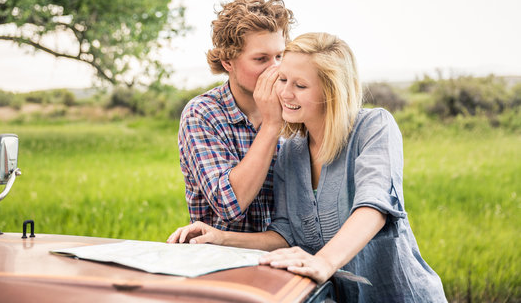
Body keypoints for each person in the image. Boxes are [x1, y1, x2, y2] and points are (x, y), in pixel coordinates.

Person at [169, 32, 447, 302]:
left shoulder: (374, 128)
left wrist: (323, 262)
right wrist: (221, 237)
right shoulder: (290, 150)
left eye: (300, 86)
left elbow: (373, 207)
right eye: (283, 79)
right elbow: (284, 234)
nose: (284, 93)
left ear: (332, 92)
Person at [178, 0, 295, 232]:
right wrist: (272, 125)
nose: (276, 69)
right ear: (228, 61)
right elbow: (229, 205)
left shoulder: (296, 107)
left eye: (280, 56)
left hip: (288, 257)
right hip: (220, 261)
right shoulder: (202, 114)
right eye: (261, 59)